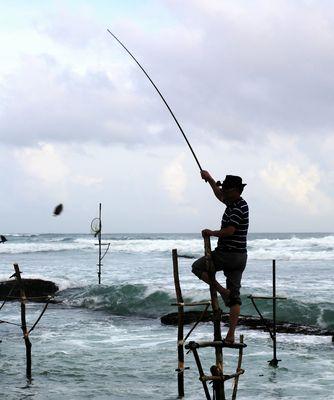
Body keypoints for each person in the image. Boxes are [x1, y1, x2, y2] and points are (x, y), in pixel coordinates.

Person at [192, 171, 249, 344]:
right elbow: (219, 195)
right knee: (235, 298)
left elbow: (230, 231)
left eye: (225, 188)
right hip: (241, 257)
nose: (222, 191)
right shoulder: (235, 202)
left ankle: (221, 290)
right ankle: (230, 335)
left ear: (234, 190)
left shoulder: (237, 208)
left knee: (197, 267)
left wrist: (212, 232)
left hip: (227, 254)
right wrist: (210, 179)